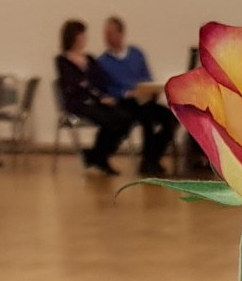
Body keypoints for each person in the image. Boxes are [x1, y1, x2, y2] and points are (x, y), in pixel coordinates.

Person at [96, 16, 182, 176]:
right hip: (125, 103)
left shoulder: (136, 54)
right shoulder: (102, 62)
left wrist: (148, 90)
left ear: (121, 34)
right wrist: (125, 93)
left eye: (111, 33)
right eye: (106, 34)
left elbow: (147, 77)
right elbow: (104, 89)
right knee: (146, 119)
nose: (107, 38)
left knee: (171, 119)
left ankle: (151, 157)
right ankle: (148, 162)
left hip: (144, 100)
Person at [55, 19, 134, 177]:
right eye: (81, 35)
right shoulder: (62, 60)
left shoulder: (90, 59)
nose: (84, 38)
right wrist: (99, 97)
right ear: (72, 37)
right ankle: (99, 157)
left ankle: (96, 155)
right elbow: (76, 85)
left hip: (96, 101)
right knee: (108, 120)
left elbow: (100, 81)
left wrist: (107, 96)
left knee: (125, 117)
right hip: (78, 103)